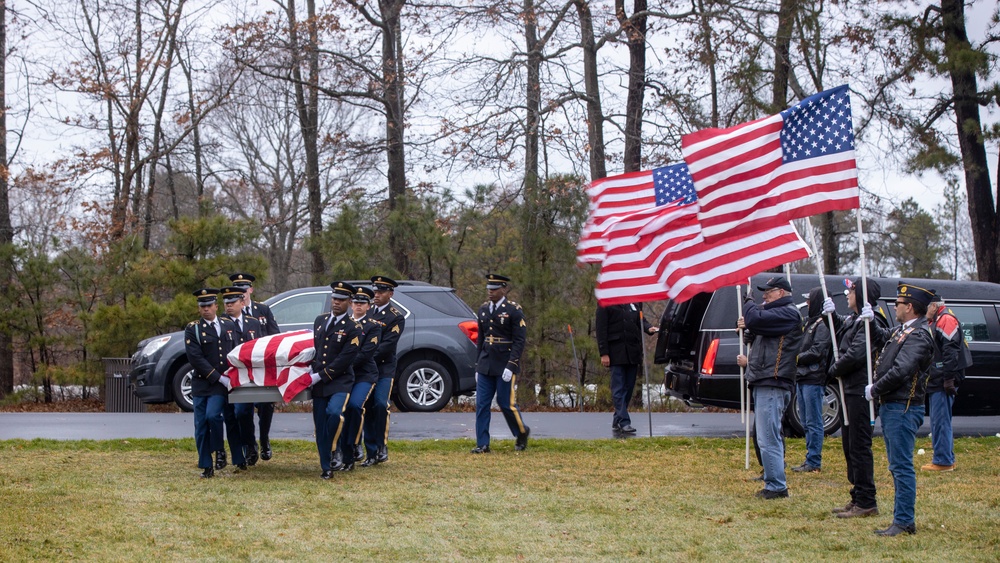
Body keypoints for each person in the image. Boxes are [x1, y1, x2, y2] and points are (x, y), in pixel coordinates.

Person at [866, 282, 936, 536]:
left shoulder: (918, 335)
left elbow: (901, 370)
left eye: (897, 303)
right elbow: (884, 338)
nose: (895, 307)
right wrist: (871, 319)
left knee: (901, 466)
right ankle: (902, 519)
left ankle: (904, 521)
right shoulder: (903, 330)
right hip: (894, 405)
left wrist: (875, 389)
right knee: (897, 465)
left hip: (903, 407)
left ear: (909, 307)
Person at [826, 277, 890, 519]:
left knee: (860, 446)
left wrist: (834, 370)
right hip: (848, 388)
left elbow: (855, 354)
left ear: (861, 294)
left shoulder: (868, 321)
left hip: (859, 389)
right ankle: (857, 495)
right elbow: (840, 330)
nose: (847, 294)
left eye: (851, 290)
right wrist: (829, 317)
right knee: (849, 445)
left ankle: (867, 500)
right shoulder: (854, 319)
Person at [736, 276, 802, 499]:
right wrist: (746, 330)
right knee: (765, 434)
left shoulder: (789, 313)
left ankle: (776, 486)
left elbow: (754, 317)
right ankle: (773, 479)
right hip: (766, 380)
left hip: (773, 381)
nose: (764, 295)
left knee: (769, 436)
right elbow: (756, 329)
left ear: (781, 293)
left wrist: (748, 300)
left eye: (769, 291)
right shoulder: (777, 315)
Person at [309, 281, 362, 479]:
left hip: (340, 381)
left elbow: (344, 359)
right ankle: (326, 467)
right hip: (320, 383)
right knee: (320, 423)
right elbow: (316, 349)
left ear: (349, 302)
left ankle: (335, 448)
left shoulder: (353, 328)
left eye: (341, 300)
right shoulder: (320, 321)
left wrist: (320, 375)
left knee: (334, 413)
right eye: (334, 298)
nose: (336, 303)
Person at [472, 274, 529, 453]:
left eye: (495, 289)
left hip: (504, 362)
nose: (491, 292)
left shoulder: (513, 310)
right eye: (489, 288)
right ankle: (483, 443)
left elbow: (519, 340)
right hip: (486, 363)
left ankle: (521, 432)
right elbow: (481, 338)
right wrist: (477, 364)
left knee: (506, 403)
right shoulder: (483, 310)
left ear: (504, 289)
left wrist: (511, 365)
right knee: (482, 404)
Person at [184, 288, 238, 478]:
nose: (206, 309)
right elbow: (196, 358)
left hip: (221, 385)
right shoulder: (194, 329)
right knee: (201, 425)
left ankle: (219, 450)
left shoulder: (227, 324)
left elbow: (236, 350)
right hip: (203, 382)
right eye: (202, 306)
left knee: (213, 416)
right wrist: (218, 376)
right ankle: (206, 464)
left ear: (216, 306)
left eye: (209, 305)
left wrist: (231, 375)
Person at [230, 272, 281, 461]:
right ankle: (250, 445)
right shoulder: (228, 315)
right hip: (242, 370)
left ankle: (265, 439)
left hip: (262, 368)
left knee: (266, 405)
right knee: (243, 410)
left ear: (250, 289)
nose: (242, 294)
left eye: (244, 290)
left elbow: (274, 337)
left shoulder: (263, 310)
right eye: (238, 291)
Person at [922, 290, 972, 472]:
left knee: (940, 420)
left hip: (944, 377)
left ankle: (943, 461)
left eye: (925, 308)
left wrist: (948, 378)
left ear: (934, 306)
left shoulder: (945, 320)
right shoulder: (940, 318)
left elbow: (951, 352)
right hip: (942, 376)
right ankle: (945, 457)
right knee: (940, 419)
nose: (923, 312)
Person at [362, 275, 406, 466]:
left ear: (391, 294)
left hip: (383, 368)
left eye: (381, 291)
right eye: (375, 291)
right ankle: (370, 451)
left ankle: (382, 445)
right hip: (365, 368)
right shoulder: (366, 312)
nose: (376, 294)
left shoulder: (395, 317)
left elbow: (387, 345)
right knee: (367, 407)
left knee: (380, 405)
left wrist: (364, 357)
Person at [336, 286, 381, 471]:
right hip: (344, 375)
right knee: (339, 410)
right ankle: (340, 451)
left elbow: (365, 353)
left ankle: (354, 446)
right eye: (355, 302)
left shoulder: (374, 326)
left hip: (364, 374)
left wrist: (340, 365)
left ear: (368, 306)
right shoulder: (342, 323)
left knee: (355, 406)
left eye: (362, 303)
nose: (358, 306)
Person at [595, 303, 657, 434]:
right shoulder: (605, 304)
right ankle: (624, 422)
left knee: (628, 388)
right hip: (615, 353)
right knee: (618, 388)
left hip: (632, 353)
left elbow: (640, 320)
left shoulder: (632, 304)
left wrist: (649, 328)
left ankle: (617, 418)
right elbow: (601, 329)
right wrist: (604, 353)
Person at [791, 287, 833, 473]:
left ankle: (814, 460)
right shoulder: (809, 323)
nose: (807, 303)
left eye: (810, 300)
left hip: (813, 378)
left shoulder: (822, 324)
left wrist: (797, 358)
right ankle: (810, 457)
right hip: (803, 376)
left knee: (814, 421)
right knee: (806, 421)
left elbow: (818, 351)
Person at [220, 286, 262, 469]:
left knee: (243, 412)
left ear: (242, 303)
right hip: (227, 375)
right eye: (226, 303)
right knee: (230, 416)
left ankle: (250, 444)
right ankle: (238, 457)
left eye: (232, 303)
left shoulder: (253, 323)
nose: (229, 306)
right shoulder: (220, 323)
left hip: (247, 375)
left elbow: (259, 347)